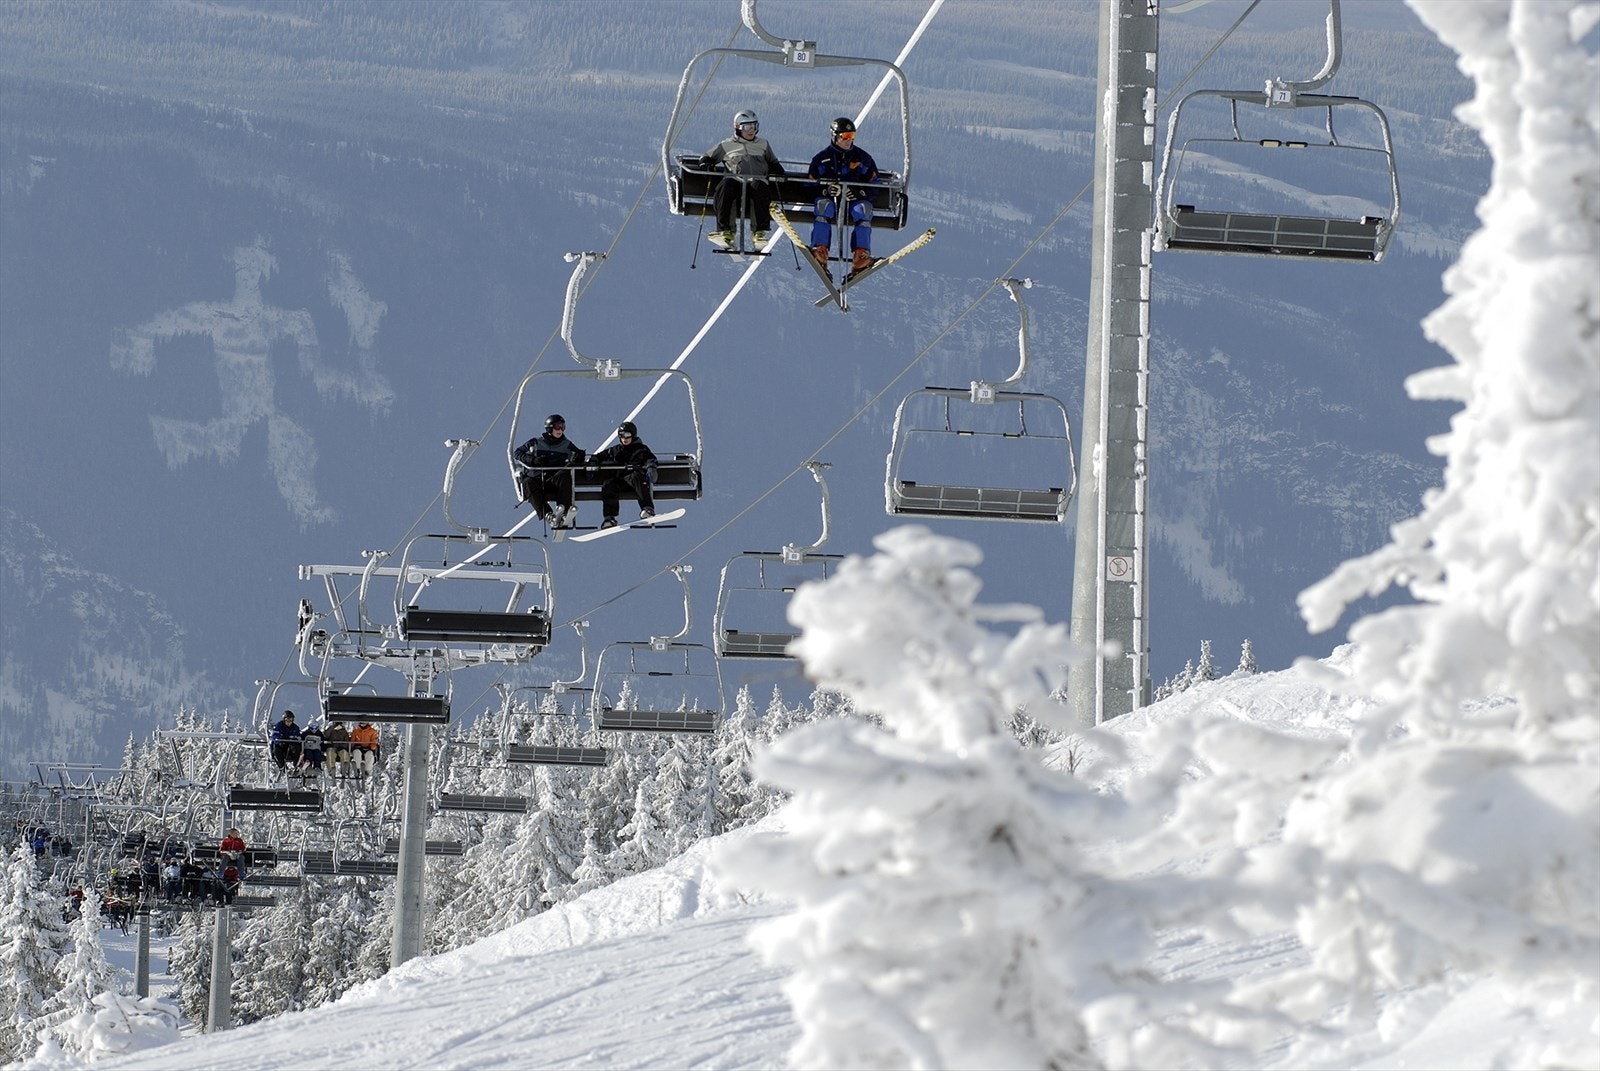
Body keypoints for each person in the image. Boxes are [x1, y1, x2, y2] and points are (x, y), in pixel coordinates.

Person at [700, 109, 786, 248]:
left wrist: (778, 172)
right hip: (736, 181)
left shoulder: (763, 144)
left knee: (760, 187)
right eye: (747, 127)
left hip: (755, 182)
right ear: (738, 127)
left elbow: (774, 163)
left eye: (754, 126)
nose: (751, 131)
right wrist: (707, 165)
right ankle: (726, 231)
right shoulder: (727, 145)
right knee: (726, 185)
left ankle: (759, 233)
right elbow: (707, 157)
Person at [807, 116, 879, 274]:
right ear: (835, 136)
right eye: (845, 136)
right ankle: (820, 249)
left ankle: (861, 254)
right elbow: (810, 183)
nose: (849, 140)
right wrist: (824, 190)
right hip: (831, 201)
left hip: (852, 203)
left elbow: (874, 183)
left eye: (851, 136)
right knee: (822, 206)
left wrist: (860, 193)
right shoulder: (822, 159)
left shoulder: (862, 159)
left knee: (864, 210)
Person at [513, 414, 587, 528]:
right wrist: (533, 460)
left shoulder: (566, 444)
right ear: (550, 428)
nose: (560, 430)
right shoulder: (536, 442)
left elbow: (578, 457)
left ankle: (565, 511)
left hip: (555, 480)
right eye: (557, 427)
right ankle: (547, 514)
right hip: (538, 480)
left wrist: (578, 457)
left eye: (562, 427)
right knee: (527, 482)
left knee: (564, 475)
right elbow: (517, 453)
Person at [587, 421, 658, 529]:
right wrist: (593, 461)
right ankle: (609, 517)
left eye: (627, 435)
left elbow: (650, 458)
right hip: (620, 481)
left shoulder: (641, 449)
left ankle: (647, 508)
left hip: (635, 481)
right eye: (621, 435)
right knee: (608, 484)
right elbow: (599, 456)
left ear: (633, 435)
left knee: (636, 477)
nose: (624, 438)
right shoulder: (615, 450)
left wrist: (651, 467)